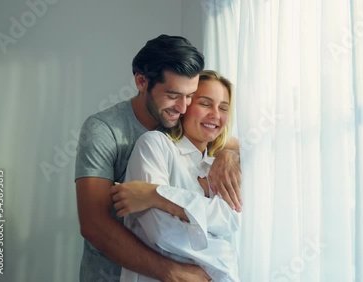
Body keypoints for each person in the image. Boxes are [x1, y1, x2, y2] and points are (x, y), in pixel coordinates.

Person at [75, 35, 241, 282]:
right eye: (174, 95)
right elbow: (94, 224)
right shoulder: (105, 130)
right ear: (142, 81)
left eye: (190, 96)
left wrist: (228, 154)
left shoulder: (177, 122)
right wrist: (171, 272)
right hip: (110, 274)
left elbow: (223, 137)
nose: (183, 107)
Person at [121, 70, 240, 282]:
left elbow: (230, 220)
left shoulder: (220, 167)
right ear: (185, 107)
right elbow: (160, 231)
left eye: (223, 108)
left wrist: (157, 195)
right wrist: (222, 253)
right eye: (205, 103)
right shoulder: (155, 145)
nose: (215, 114)